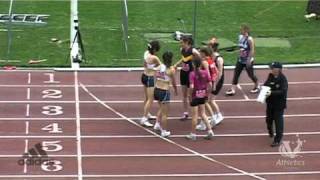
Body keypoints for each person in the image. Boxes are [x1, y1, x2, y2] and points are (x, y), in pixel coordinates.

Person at [226, 24, 259, 96]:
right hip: (240, 60)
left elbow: (252, 50)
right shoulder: (240, 37)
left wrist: (249, 60)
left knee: (251, 75)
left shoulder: (250, 39)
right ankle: (233, 89)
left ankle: (257, 86)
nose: (240, 31)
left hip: (248, 60)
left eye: (242, 29)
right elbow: (240, 47)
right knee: (236, 74)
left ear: (246, 30)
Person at [186, 57, 214, 141]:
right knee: (203, 113)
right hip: (203, 94)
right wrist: (208, 93)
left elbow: (191, 86)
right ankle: (210, 131)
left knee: (194, 115)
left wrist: (189, 95)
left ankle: (193, 134)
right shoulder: (205, 72)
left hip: (195, 96)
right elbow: (210, 84)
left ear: (193, 64)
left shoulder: (192, 74)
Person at [174, 36, 200, 120]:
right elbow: (183, 59)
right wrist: (176, 64)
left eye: (181, 42)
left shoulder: (193, 51)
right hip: (183, 73)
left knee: (191, 95)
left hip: (191, 74)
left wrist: (197, 69)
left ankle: (195, 113)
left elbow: (200, 59)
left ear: (187, 42)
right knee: (184, 95)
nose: (180, 44)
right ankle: (185, 113)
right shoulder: (182, 50)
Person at [153, 51, 178, 137]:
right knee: (165, 113)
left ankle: (157, 123)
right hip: (164, 91)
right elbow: (174, 82)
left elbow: (157, 74)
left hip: (157, 89)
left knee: (161, 108)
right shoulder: (171, 70)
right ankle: (164, 131)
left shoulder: (159, 66)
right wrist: (176, 90)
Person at [264, 62, 288, 147]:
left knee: (278, 122)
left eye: (273, 68)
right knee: (268, 120)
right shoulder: (270, 76)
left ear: (278, 69)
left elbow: (283, 91)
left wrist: (271, 93)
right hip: (270, 103)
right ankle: (270, 130)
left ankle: (277, 139)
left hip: (279, 105)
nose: (271, 69)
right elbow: (266, 85)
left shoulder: (283, 79)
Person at [140, 40, 161, 127]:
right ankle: (144, 118)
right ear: (155, 49)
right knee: (151, 99)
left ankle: (147, 113)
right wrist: (155, 69)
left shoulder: (146, 53)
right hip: (149, 78)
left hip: (144, 75)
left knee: (146, 97)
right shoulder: (154, 58)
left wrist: (151, 68)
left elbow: (144, 64)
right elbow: (161, 66)